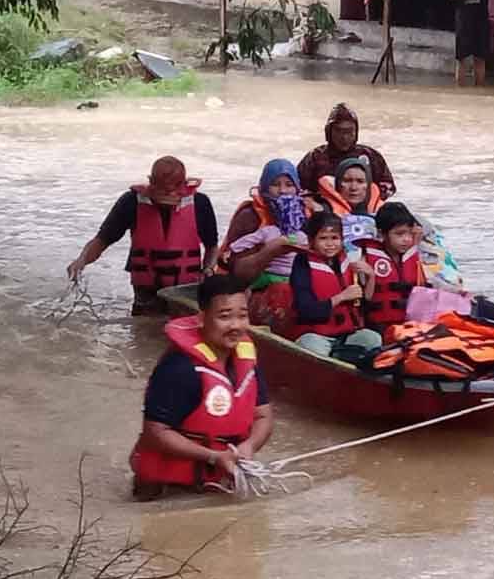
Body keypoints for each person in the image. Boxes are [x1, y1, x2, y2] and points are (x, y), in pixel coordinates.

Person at [130, 275, 273, 499]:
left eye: (242, 316)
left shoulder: (247, 362)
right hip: (166, 489)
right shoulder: (179, 368)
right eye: (225, 317)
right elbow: (155, 432)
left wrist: (250, 446)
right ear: (202, 318)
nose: (236, 325)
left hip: (218, 478)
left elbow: (263, 416)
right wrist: (214, 457)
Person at [67, 156, 219, 316]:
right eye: (163, 189)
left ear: (183, 183)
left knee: (183, 325)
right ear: (151, 182)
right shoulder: (131, 202)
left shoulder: (200, 203)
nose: (169, 194)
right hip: (146, 287)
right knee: (145, 329)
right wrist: (81, 261)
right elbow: (103, 239)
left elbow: (212, 246)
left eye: (174, 188)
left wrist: (208, 270)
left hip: (186, 289)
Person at [289, 211, 383, 360]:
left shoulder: (346, 260)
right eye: (323, 238)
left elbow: (364, 303)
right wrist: (341, 297)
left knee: (372, 339)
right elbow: (305, 310)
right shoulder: (302, 264)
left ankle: (343, 358)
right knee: (312, 348)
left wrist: (371, 277)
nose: (330, 244)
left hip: (347, 334)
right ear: (311, 240)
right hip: (316, 335)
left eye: (335, 238)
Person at [219, 159, 308, 289]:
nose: (283, 191)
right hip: (253, 285)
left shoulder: (306, 214)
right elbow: (236, 271)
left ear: (297, 188)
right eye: (275, 184)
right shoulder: (249, 215)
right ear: (264, 188)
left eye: (289, 185)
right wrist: (269, 252)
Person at [297, 103, 396, 200]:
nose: (344, 137)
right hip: (325, 210)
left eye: (349, 132)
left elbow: (388, 185)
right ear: (329, 132)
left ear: (356, 132)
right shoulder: (314, 157)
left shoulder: (370, 156)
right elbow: (297, 188)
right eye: (339, 131)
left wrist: (370, 196)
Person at [358, 202, 424, 330]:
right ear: (382, 234)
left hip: (411, 324)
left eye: (409, 234)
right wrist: (371, 277)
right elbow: (363, 301)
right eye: (399, 234)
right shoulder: (365, 260)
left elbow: (427, 287)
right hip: (378, 326)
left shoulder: (415, 256)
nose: (406, 239)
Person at [449, 0, 491, 86]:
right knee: (461, 59)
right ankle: (460, 92)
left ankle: (479, 91)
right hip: (463, 22)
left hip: (481, 22)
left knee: (480, 59)